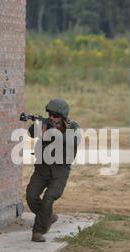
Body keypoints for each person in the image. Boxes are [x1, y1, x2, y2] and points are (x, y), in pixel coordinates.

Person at [26, 99, 81, 242]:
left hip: (60, 172)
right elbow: (31, 133)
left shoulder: (72, 127)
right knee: (31, 196)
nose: (51, 117)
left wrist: (55, 132)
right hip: (42, 169)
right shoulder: (46, 124)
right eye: (49, 114)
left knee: (48, 199)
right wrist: (38, 125)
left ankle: (38, 231)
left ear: (62, 116)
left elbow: (74, 141)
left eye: (55, 115)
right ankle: (48, 217)